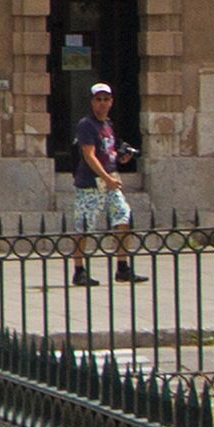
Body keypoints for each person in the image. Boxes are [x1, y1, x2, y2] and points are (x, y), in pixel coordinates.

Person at [69, 81, 143, 286]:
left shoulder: (107, 125)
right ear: (92, 102)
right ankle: (79, 270)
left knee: (123, 216)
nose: (102, 103)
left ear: (111, 102)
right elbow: (89, 155)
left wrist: (121, 159)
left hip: (110, 180)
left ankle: (122, 266)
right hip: (91, 182)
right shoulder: (86, 125)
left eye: (106, 99)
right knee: (84, 225)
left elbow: (107, 152)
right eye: (98, 99)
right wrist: (107, 177)